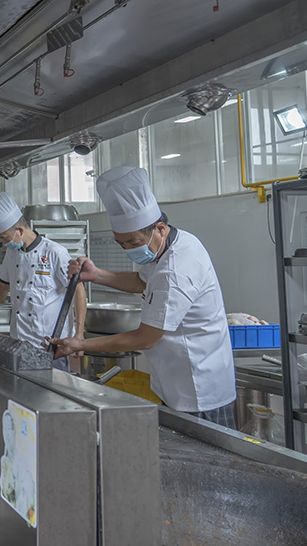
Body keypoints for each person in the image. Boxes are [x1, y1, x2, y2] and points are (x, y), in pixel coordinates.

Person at [46, 166, 237, 427]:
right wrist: (97, 275)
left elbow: (146, 338)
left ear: (160, 228)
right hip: (176, 382)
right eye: (121, 244)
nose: (129, 250)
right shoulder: (170, 245)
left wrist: (80, 344)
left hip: (199, 390)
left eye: (133, 243)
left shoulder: (177, 269)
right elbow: (141, 281)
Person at [0, 191, 86, 371]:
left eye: (4, 237)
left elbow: (77, 289)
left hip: (50, 346)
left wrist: (79, 335)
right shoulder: (12, 253)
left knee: (52, 389)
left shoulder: (54, 252)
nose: (4, 242)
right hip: (19, 344)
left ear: (19, 231)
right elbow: (3, 286)